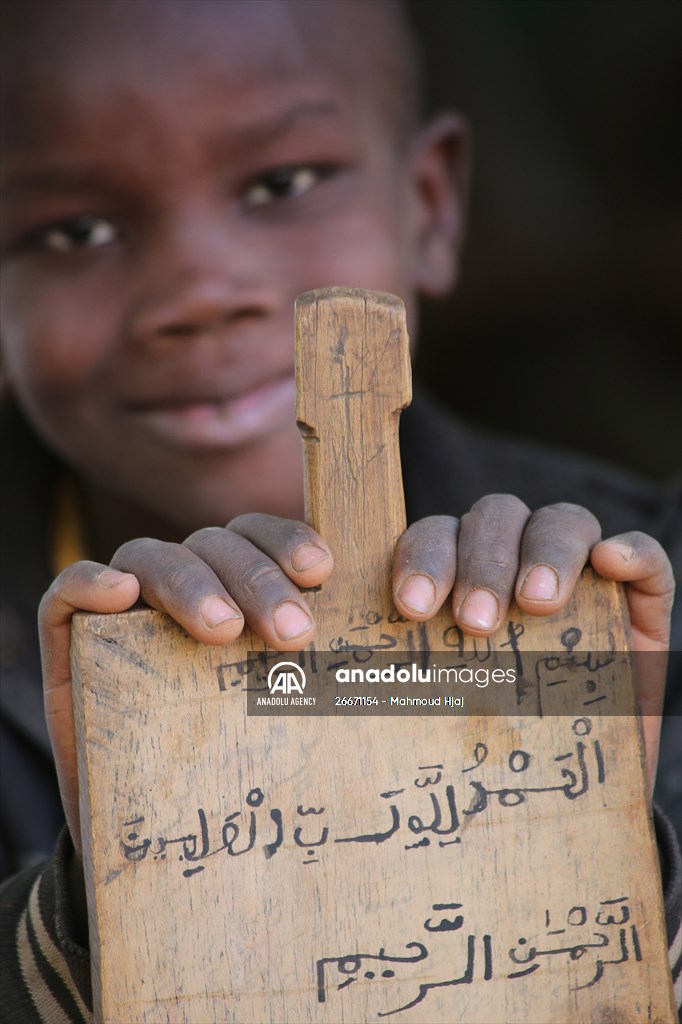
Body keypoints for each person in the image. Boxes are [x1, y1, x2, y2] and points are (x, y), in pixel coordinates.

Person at [0, 1, 679, 1020]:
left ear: (431, 202)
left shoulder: (627, 591)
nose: (198, 288)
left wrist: (613, 857)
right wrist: (84, 921)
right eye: (73, 229)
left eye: (282, 184)